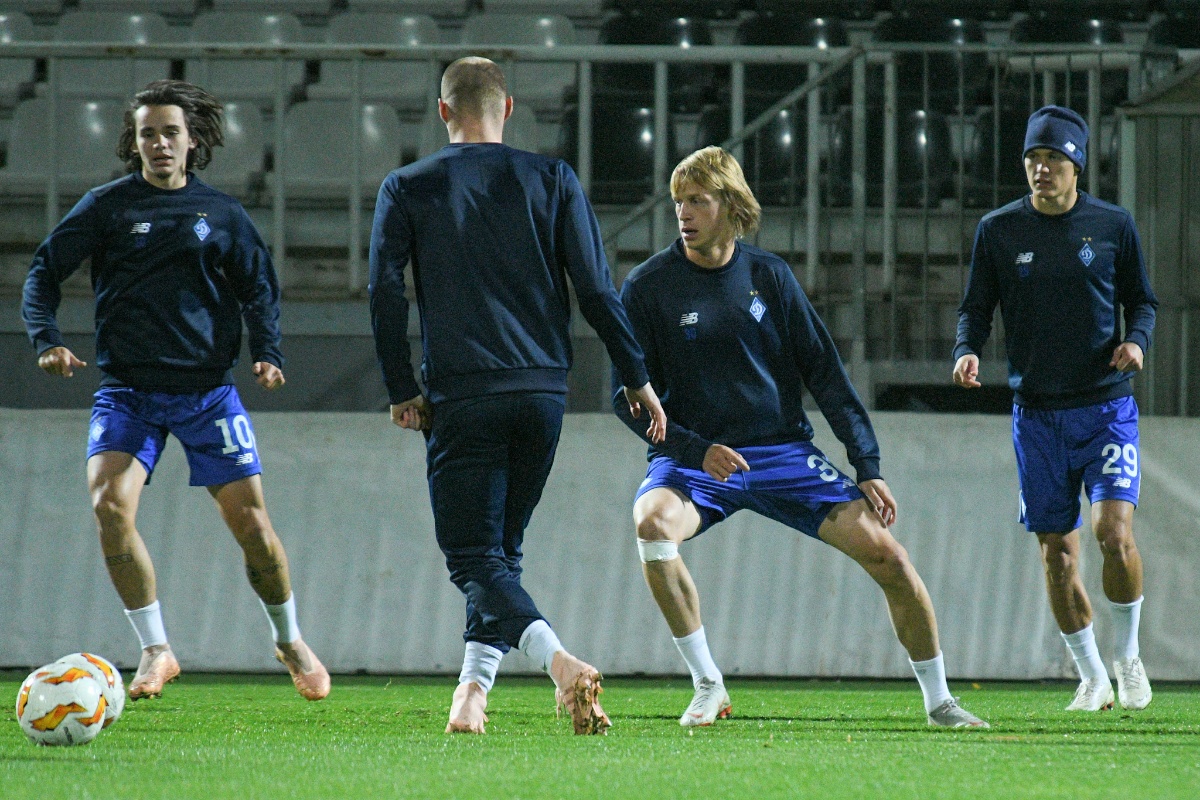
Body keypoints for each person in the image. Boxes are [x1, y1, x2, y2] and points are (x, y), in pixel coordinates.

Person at [613, 146, 987, 729]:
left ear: (730, 205)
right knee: (652, 525)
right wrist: (693, 449)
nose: (683, 213)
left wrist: (867, 463)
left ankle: (940, 702)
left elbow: (826, 375)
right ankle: (708, 685)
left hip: (782, 453)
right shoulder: (647, 287)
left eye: (697, 201)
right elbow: (626, 398)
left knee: (890, 557)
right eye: (678, 201)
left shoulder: (770, 276)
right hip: (696, 459)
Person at [369, 57, 666, 736]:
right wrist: (636, 375)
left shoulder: (407, 186)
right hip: (542, 392)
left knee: (472, 556)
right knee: (500, 552)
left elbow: (385, 292)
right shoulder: (553, 178)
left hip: (464, 391)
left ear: (443, 112)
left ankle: (559, 663)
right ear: (508, 108)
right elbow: (596, 289)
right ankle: (471, 696)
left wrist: (400, 387)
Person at [22, 80, 329, 703]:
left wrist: (268, 352)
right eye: (147, 134)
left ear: (193, 141)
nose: (159, 143)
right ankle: (156, 649)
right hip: (127, 392)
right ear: (133, 143)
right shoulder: (107, 207)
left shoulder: (222, 214)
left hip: (207, 394)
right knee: (109, 507)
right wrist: (45, 339)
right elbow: (44, 272)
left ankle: (289, 638)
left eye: (170, 132)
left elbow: (259, 289)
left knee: (253, 527)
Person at [953, 105, 1157, 712]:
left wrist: (1136, 342)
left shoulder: (1113, 225)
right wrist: (966, 350)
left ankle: (1128, 656)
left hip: (1105, 407)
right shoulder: (998, 230)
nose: (1042, 169)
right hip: (1037, 415)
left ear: (1077, 165)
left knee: (1112, 532)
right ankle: (1091, 676)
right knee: (1057, 554)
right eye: (1033, 158)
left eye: (1054, 159)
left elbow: (1143, 302)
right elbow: (975, 308)